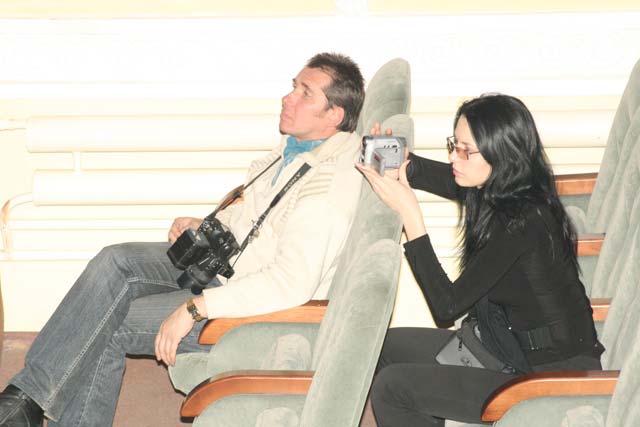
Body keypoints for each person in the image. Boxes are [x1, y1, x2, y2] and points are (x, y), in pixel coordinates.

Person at [0, 52, 365, 427]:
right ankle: (24, 400)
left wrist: (195, 309)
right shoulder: (298, 149)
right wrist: (209, 224)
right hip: (230, 267)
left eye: (305, 93)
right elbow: (261, 216)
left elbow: (289, 284)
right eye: (293, 87)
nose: (288, 98)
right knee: (114, 260)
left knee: (108, 323)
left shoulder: (327, 191)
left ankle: (23, 409)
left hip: (257, 306)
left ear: (334, 115)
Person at [356, 94, 604, 427]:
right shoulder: (500, 187)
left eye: (465, 150)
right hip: (500, 346)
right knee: (378, 348)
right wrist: (389, 157)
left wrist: (411, 216)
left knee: (392, 388)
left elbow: (446, 307)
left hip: (541, 375)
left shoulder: (523, 220)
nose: (453, 157)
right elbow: (435, 174)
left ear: (501, 154)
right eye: (453, 144)